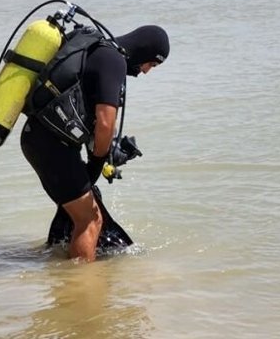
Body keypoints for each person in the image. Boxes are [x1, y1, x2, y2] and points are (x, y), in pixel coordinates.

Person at [20, 25, 169, 262]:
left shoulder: (99, 50)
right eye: (151, 64)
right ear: (144, 52)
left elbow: (88, 117)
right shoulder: (114, 61)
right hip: (52, 147)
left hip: (43, 140)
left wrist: (107, 151)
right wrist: (98, 159)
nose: (146, 71)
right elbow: (105, 122)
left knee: (81, 214)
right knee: (90, 219)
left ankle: (63, 275)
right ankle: (81, 288)